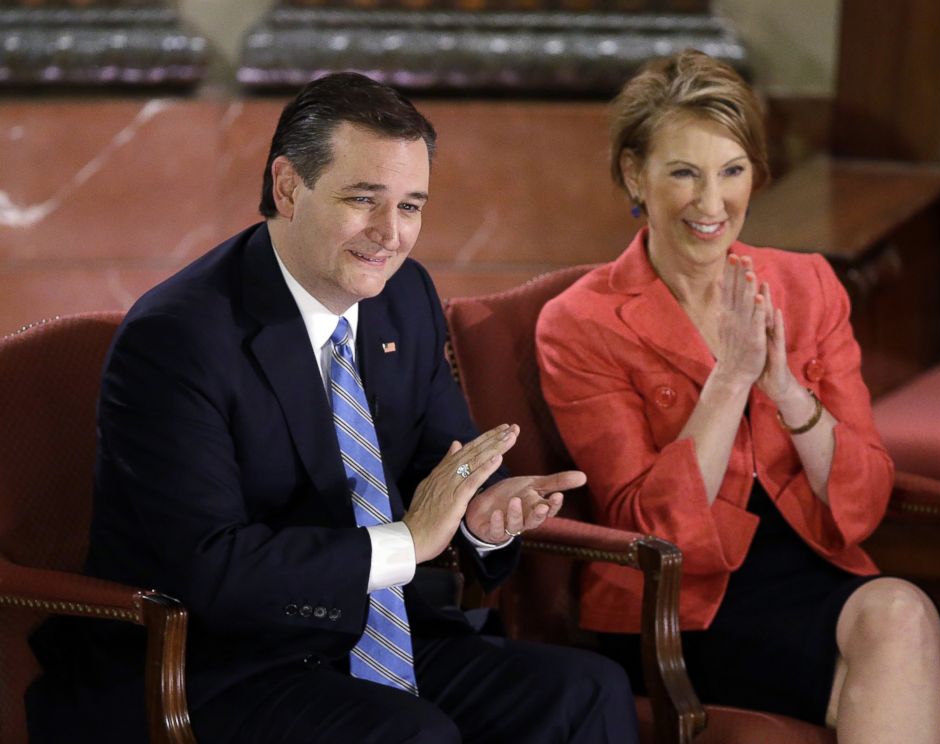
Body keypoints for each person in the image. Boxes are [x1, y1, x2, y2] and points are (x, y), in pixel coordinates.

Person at [25, 72, 638, 743]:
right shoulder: (178, 338)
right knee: (412, 734)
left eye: (410, 206)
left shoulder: (404, 297)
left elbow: (449, 465)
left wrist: (482, 518)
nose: (390, 235)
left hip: (372, 630)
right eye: (363, 200)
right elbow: (213, 567)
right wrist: (408, 542)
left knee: (584, 692)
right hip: (217, 659)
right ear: (289, 188)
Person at [535, 50, 940, 743]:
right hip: (676, 601)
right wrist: (730, 380)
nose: (712, 204)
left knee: (921, 647)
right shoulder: (580, 324)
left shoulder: (807, 285)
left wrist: (784, 387)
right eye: (683, 172)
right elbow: (649, 529)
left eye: (732, 171)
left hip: (813, 570)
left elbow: (863, 498)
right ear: (635, 174)